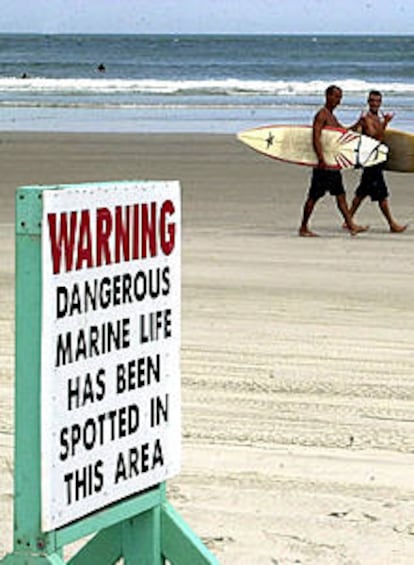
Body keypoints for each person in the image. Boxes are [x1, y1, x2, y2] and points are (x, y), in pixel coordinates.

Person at [299, 85, 368, 237]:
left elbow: (343, 133)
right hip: (323, 165)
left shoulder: (332, 117)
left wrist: (358, 124)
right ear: (327, 96)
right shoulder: (321, 115)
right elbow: (315, 138)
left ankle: (351, 225)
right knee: (313, 197)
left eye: (340, 97)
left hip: (331, 165)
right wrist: (321, 159)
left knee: (340, 196)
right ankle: (303, 227)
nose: (338, 100)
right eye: (336, 97)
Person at [346, 90, 407, 233]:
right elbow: (375, 138)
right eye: (372, 101)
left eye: (377, 101)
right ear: (368, 102)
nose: (375, 103)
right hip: (372, 161)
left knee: (361, 193)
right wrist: (385, 123)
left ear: (381, 103)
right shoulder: (368, 118)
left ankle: (347, 219)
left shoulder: (376, 118)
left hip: (374, 160)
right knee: (382, 195)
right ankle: (392, 224)